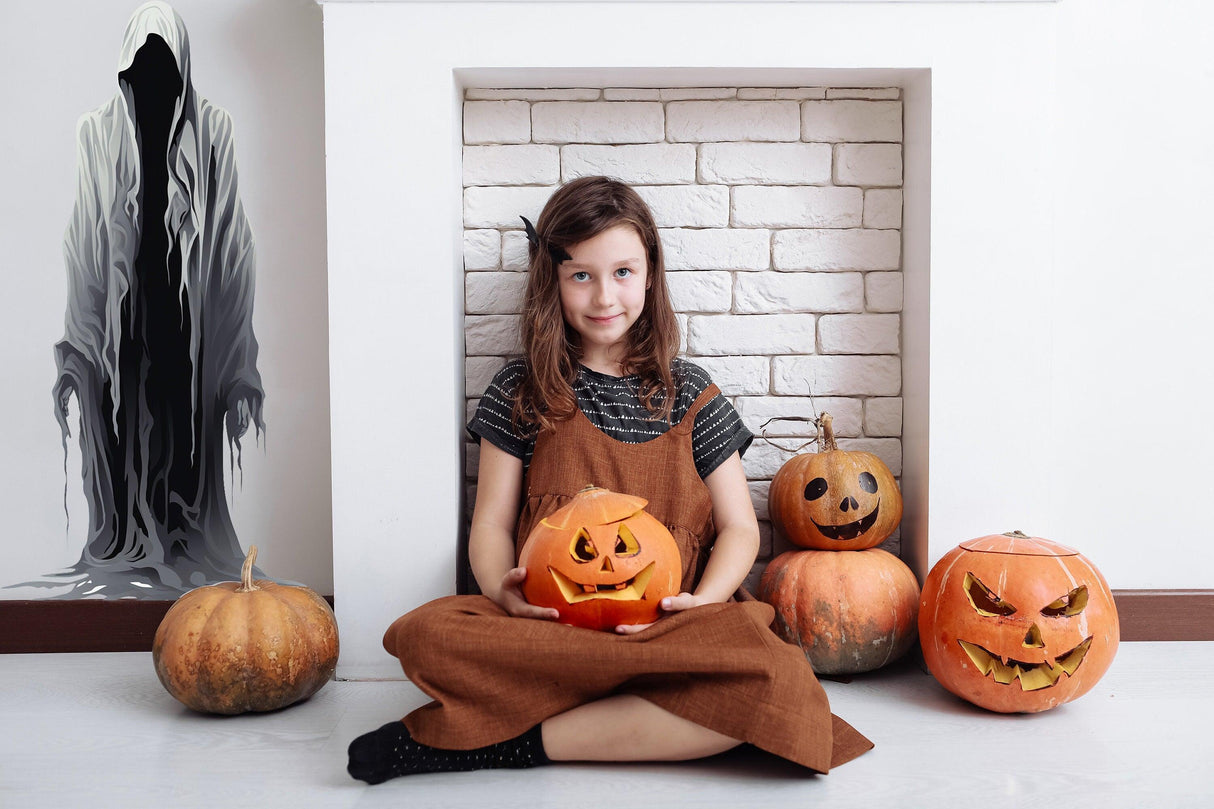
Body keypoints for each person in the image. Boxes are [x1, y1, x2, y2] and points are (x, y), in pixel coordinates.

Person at [347, 176, 872, 784]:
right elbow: (490, 520)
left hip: (671, 633)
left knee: (778, 679)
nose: (604, 296)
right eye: (581, 276)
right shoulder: (522, 390)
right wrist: (501, 592)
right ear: (553, 281)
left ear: (651, 275)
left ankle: (496, 742)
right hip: (555, 631)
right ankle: (621, 714)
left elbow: (738, 528)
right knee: (426, 636)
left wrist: (701, 604)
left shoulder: (691, 395)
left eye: (622, 272)